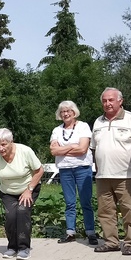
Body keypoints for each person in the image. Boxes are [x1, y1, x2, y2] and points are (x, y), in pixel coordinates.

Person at [91, 88, 131, 256]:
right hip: (103, 175)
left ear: (121, 101)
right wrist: (97, 169)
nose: (108, 103)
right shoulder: (98, 122)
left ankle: (130, 243)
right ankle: (111, 242)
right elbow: (94, 148)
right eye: (104, 101)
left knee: (128, 210)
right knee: (105, 211)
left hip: (125, 174)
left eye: (111, 100)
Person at [0, 128, 44, 260]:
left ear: (11, 142)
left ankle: (24, 248)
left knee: (22, 212)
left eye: (4, 144)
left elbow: (39, 171)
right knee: (11, 216)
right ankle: (12, 247)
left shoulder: (25, 151)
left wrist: (29, 190)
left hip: (29, 188)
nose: (1, 148)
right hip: (8, 192)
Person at [49, 100, 98, 245]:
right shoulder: (57, 130)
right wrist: (72, 147)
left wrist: (63, 150)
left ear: (74, 112)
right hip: (65, 169)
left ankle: (90, 232)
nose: (65, 113)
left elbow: (83, 149)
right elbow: (53, 150)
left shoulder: (83, 127)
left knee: (85, 201)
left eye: (68, 111)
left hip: (82, 168)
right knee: (69, 202)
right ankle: (70, 232)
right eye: (63, 111)